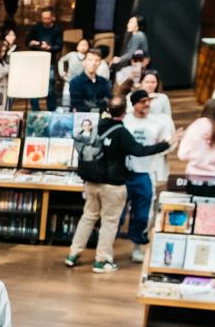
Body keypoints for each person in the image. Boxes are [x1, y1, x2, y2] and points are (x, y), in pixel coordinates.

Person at [66, 97, 169, 273]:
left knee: (88, 217)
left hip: (91, 181)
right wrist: (165, 145)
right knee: (109, 222)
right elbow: (138, 150)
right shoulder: (121, 132)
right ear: (124, 112)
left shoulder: (97, 126)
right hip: (113, 185)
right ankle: (102, 260)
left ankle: (73, 254)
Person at [121, 87, 174, 261]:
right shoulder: (125, 121)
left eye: (148, 101)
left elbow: (167, 145)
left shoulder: (157, 123)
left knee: (143, 214)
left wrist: (171, 143)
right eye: (142, 101)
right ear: (134, 104)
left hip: (145, 173)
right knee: (118, 213)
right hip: (124, 172)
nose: (146, 104)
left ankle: (137, 246)